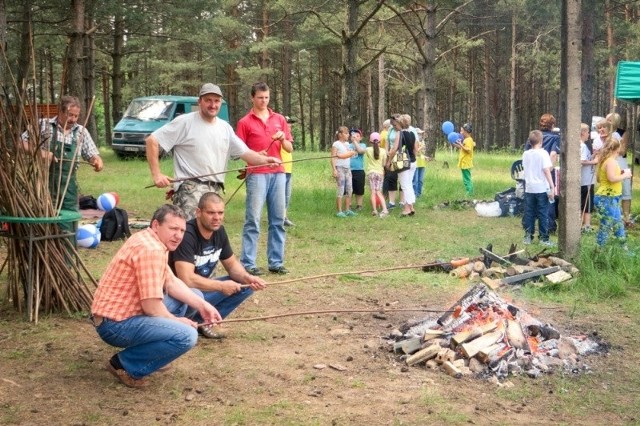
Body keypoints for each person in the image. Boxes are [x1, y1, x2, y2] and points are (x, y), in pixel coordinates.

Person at [91, 204, 221, 388]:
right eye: (173, 229)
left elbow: (171, 282)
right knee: (187, 335)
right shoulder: (150, 250)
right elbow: (151, 307)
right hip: (114, 325)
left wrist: (203, 305)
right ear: (155, 225)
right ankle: (125, 364)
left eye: (182, 230)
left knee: (194, 296)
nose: (178, 235)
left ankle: (153, 350)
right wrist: (178, 321)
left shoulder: (152, 240)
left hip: (124, 314)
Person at [145, 83, 281, 220]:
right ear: (200, 102)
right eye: (208, 100)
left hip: (214, 191)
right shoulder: (185, 122)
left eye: (216, 101)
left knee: (208, 237)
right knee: (189, 236)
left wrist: (267, 160)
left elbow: (246, 154)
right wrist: (157, 174)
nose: (213, 105)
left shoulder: (224, 128)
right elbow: (152, 140)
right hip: (190, 190)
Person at [170, 192, 267, 339]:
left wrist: (248, 278)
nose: (217, 218)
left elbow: (232, 265)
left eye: (220, 212)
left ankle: (205, 322)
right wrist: (221, 286)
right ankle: (187, 322)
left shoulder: (219, 231)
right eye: (211, 213)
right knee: (197, 293)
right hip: (180, 295)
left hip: (200, 292)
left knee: (244, 285)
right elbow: (186, 279)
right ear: (198, 212)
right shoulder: (187, 235)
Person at [236, 82, 293, 276]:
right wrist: (255, 154)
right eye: (260, 97)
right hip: (257, 174)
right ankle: (248, 262)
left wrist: (282, 138)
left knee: (278, 219)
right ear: (252, 98)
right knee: (253, 219)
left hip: (278, 173)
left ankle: (276, 262)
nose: (264, 101)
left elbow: (289, 148)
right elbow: (239, 151)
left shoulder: (279, 119)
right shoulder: (245, 122)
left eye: (267, 97)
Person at [21, 95, 104, 228]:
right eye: (70, 115)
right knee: (46, 222)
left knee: (69, 223)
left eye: (76, 116)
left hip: (69, 188)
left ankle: (68, 248)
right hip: (44, 186)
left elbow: (93, 155)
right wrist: (41, 153)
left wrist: (97, 162)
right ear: (60, 111)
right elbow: (20, 143)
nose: (73, 119)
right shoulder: (43, 125)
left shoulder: (81, 132)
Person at [524, 113, 561, 233]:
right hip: (546, 172)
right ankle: (549, 226)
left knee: (530, 204)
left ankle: (528, 229)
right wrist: (549, 169)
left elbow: (525, 154)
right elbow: (554, 154)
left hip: (531, 175)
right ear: (553, 125)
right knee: (548, 201)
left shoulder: (533, 137)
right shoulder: (555, 138)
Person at [594, 138, 633, 247]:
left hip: (611, 197)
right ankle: (599, 250)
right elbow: (611, 178)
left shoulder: (606, 160)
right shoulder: (610, 161)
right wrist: (625, 175)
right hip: (607, 198)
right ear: (617, 148)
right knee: (606, 225)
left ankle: (623, 248)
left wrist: (621, 172)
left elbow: (604, 177)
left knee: (618, 225)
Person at [522, 130, 555, 246]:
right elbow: (547, 170)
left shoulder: (526, 154)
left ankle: (528, 236)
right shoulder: (543, 153)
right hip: (541, 188)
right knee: (543, 213)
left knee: (529, 213)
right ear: (541, 141)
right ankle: (544, 238)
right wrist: (552, 185)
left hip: (529, 188)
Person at [606, 112, 633, 227]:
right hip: (609, 162)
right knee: (610, 189)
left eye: (609, 120)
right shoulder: (605, 133)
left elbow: (622, 151)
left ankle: (626, 217)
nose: (607, 122)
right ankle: (611, 216)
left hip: (621, 163)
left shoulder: (623, 133)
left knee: (625, 191)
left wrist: (617, 141)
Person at [387, 114, 417, 217]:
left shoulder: (400, 134)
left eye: (395, 124)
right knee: (409, 185)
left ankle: (407, 209)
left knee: (405, 186)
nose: (394, 127)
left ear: (400, 123)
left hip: (403, 162)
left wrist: (389, 161)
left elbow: (394, 148)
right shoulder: (412, 133)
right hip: (413, 161)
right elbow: (415, 149)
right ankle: (411, 206)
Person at [331, 126, 357, 217]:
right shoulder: (336, 144)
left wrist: (350, 153)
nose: (348, 135)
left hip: (347, 169)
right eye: (346, 133)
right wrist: (334, 169)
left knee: (350, 189)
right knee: (341, 189)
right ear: (340, 134)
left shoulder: (347, 144)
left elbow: (351, 154)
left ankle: (347, 210)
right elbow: (333, 157)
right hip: (340, 168)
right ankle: (339, 211)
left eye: (348, 133)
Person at [364, 132, 389, 217]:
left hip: (371, 173)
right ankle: (384, 209)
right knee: (378, 191)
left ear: (370, 141)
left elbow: (362, 151)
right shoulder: (383, 151)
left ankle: (374, 210)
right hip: (380, 173)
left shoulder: (368, 150)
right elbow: (384, 164)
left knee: (373, 192)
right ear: (380, 141)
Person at [580, 123, 597, 233]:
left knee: (585, 202)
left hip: (585, 179)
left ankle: (584, 225)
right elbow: (581, 161)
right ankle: (586, 225)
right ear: (582, 133)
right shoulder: (582, 146)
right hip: (585, 180)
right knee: (587, 202)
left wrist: (593, 156)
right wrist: (594, 162)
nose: (589, 134)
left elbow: (585, 159)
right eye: (587, 132)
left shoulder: (582, 146)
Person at [453, 122, 475, 197]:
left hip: (466, 163)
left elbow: (468, 150)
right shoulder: (467, 140)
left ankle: (469, 193)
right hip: (464, 163)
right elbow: (463, 148)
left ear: (466, 131)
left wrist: (461, 144)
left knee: (466, 179)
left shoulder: (468, 140)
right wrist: (456, 144)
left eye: (462, 131)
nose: (460, 132)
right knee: (466, 178)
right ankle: (470, 191)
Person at [348, 128, 367, 211]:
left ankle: (359, 205)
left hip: (359, 170)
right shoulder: (347, 146)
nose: (355, 137)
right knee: (349, 189)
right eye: (353, 136)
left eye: (357, 136)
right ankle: (349, 205)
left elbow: (360, 151)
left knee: (359, 189)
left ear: (360, 138)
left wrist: (355, 142)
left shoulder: (362, 145)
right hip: (349, 170)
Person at [413, 128, 428, 197]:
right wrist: (421, 147)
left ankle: (419, 194)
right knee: (415, 180)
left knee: (420, 180)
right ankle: (414, 194)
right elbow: (415, 152)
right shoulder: (413, 141)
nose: (420, 135)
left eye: (421, 134)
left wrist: (425, 157)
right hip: (415, 163)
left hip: (422, 163)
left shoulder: (422, 141)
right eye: (419, 134)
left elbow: (421, 153)